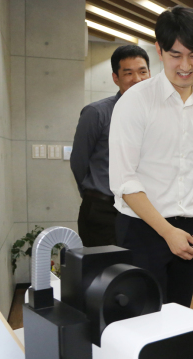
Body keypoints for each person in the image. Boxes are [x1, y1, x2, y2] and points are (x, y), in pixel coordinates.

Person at [109, 6, 193, 307]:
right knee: (139, 322)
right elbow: (124, 180)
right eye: (176, 55)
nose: (186, 65)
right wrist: (166, 232)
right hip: (141, 229)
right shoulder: (135, 101)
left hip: (188, 230)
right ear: (159, 51)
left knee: (178, 318)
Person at [71, 45, 151, 247]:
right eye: (128, 73)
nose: (137, 79)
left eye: (143, 71)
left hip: (144, 211)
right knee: (105, 274)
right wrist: (95, 194)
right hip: (103, 211)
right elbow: (79, 162)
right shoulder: (96, 113)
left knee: (139, 273)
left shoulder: (157, 116)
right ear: (116, 78)